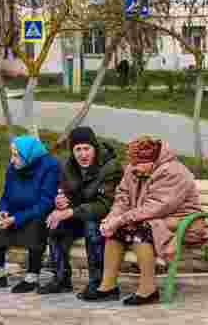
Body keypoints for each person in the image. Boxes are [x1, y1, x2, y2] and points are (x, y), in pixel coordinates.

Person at [84, 135, 208, 306]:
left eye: (139, 165)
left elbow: (156, 207)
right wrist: (112, 218)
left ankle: (148, 289)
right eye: (132, 164)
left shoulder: (172, 171)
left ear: (153, 159)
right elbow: (123, 198)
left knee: (139, 230)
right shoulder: (133, 167)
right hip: (150, 219)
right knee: (117, 230)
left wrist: (121, 220)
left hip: (181, 223)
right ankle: (108, 287)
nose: (134, 169)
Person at [37, 126, 122, 297]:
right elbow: (67, 192)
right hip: (79, 214)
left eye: (86, 148)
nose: (83, 154)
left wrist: (70, 212)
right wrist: (61, 201)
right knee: (56, 223)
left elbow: (105, 204)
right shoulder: (67, 165)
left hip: (106, 218)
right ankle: (61, 278)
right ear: (72, 150)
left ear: (94, 148)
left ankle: (98, 283)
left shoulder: (110, 167)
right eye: (78, 149)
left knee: (92, 227)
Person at [0, 135, 59, 293]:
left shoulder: (50, 166)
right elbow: (6, 196)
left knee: (36, 224)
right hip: (16, 211)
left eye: (16, 155)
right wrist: (3, 210)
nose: (12, 160)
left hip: (38, 212)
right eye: (12, 154)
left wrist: (16, 218)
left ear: (29, 154)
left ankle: (32, 276)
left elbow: (45, 202)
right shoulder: (13, 168)